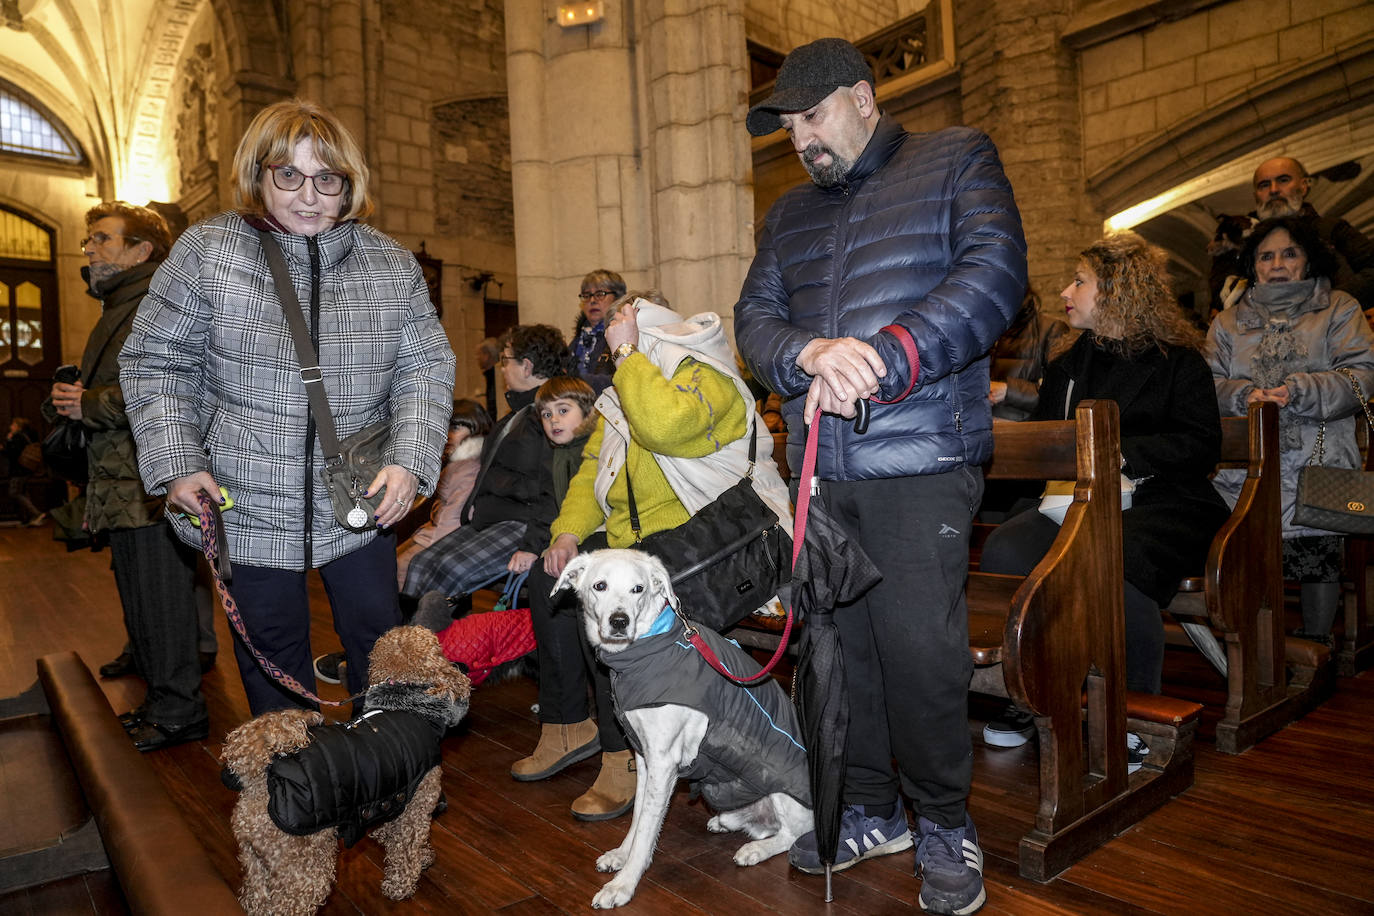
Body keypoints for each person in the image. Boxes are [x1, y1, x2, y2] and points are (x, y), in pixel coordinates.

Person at [733, 37, 1026, 915]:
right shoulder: (788, 214)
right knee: (836, 648)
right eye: (787, 126)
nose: (800, 139)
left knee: (916, 648)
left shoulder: (956, 157)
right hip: (823, 466)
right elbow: (755, 319)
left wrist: (887, 354)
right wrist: (807, 351)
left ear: (863, 98)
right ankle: (870, 805)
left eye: (812, 116)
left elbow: (994, 277)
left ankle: (944, 821)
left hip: (922, 452)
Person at [119, 99, 456, 716]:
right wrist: (175, 461)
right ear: (258, 174)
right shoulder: (207, 253)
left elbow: (425, 369)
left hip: (360, 496)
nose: (309, 196)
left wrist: (411, 461)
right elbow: (153, 362)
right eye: (289, 175)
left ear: (348, 184)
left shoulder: (389, 263)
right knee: (271, 662)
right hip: (242, 496)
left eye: (327, 179)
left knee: (381, 650)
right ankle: (296, 793)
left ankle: (386, 776)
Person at [523, 291, 792, 823]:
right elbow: (589, 474)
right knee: (547, 578)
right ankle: (566, 721)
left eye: (627, 320)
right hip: (638, 545)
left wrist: (626, 358)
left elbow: (664, 426)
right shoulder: (626, 390)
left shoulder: (705, 375)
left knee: (614, 604)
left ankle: (623, 752)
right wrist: (567, 535)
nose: (615, 333)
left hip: (705, 544)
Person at [978, 233, 1230, 758]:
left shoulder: (1177, 361)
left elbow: (1200, 443)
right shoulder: (1068, 365)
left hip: (1164, 503)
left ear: (1117, 291)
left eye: (1079, 280)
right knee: (1006, 548)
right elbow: (1050, 440)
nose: (1065, 290)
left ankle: (1136, 713)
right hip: (1077, 499)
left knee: (1111, 558)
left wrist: (1121, 454)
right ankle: (1030, 694)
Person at [43, 201, 207, 750]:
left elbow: (169, 384)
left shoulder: (155, 301)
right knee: (141, 594)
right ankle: (162, 702)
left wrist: (87, 402)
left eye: (103, 240)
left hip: (151, 479)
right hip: (123, 476)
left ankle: (180, 710)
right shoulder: (122, 303)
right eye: (88, 241)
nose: (89, 249)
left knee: (161, 596)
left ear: (142, 250)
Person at [1207, 217, 1374, 646]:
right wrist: (1242, 394)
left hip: (1319, 448)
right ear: (1253, 264)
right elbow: (1204, 384)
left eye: (1289, 253)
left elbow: (1363, 374)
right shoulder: (1227, 322)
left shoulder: (1340, 307)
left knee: (1318, 529)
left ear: (1308, 259)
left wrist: (1302, 388)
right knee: (1238, 546)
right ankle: (1252, 642)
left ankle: (1316, 641)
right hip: (1246, 456)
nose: (1277, 263)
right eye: (1266, 255)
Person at [315, 397, 494, 686]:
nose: (450, 433)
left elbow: (452, 525)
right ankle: (371, 656)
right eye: (448, 425)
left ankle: (386, 662)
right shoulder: (456, 464)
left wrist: (408, 554)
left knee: (386, 592)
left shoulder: (468, 468)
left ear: (477, 430)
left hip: (441, 550)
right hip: (433, 543)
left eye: (459, 426)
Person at [398, 324, 567, 607]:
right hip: (490, 520)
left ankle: (429, 647)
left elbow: (555, 488)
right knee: (419, 565)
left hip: (523, 524)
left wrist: (532, 544)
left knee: (448, 574)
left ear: (526, 366)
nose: (501, 369)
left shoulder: (550, 415)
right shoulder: (517, 414)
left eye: (505, 360)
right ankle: (406, 646)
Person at [1212, 157, 1374, 321]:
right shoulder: (1238, 242)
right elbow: (1221, 293)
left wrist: (1326, 306)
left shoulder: (1331, 229)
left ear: (1303, 186)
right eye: (1264, 185)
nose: (1274, 190)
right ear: (1256, 196)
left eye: (1283, 180)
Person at [987, 286, 1074, 422]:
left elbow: (1061, 396)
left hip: (1027, 433)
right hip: (984, 428)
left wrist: (1007, 390)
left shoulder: (1051, 330)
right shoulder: (987, 331)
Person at [569, 269, 626, 393]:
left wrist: (574, 380)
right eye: (586, 295)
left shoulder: (623, 336)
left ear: (618, 299)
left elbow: (623, 381)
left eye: (600, 294)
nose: (592, 300)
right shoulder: (578, 340)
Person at [4, 418, 43, 525]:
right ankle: (28, 518)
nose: (10, 427)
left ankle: (36, 514)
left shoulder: (17, 437)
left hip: (19, 470)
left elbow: (12, 453)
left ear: (18, 426)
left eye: (13, 424)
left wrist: (8, 441)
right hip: (28, 469)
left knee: (15, 492)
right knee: (23, 493)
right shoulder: (29, 435)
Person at [476, 337, 500, 416]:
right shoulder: (489, 376)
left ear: (487, 355)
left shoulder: (497, 377)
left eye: (479, 354)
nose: (477, 358)